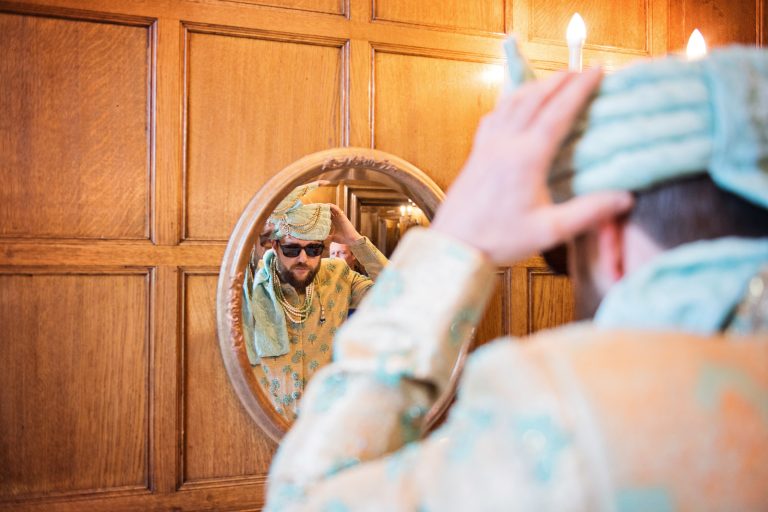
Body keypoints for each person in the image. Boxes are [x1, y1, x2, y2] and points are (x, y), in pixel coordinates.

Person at [265, 45, 768, 510]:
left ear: (607, 238)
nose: (305, 257)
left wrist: (455, 239)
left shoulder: (563, 410)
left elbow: (301, 501)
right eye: (293, 248)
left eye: (566, 257)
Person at [242, 184, 388, 419]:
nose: (303, 258)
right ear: (276, 246)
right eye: (292, 249)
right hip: (266, 419)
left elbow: (399, 293)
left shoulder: (339, 275)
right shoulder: (254, 279)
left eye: (313, 249)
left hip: (325, 419)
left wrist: (355, 240)